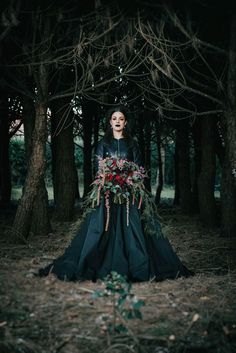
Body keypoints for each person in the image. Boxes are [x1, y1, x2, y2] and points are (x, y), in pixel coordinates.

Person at [38, 106, 194, 282]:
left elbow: (137, 168)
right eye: (114, 118)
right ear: (110, 122)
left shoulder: (132, 144)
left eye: (121, 118)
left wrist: (129, 181)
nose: (118, 121)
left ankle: (137, 265)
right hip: (107, 194)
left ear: (125, 122)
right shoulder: (103, 144)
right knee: (101, 229)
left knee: (134, 228)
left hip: (129, 194)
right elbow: (99, 169)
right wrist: (109, 181)